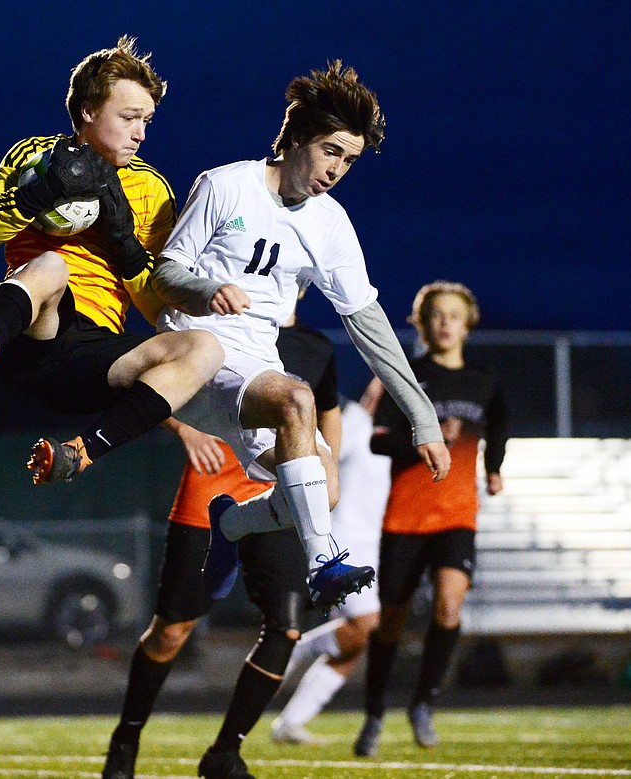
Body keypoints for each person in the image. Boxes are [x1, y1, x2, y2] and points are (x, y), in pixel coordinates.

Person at [149, 60, 451, 613]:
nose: (338, 169)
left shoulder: (329, 223)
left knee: (321, 490)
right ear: (295, 138)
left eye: (351, 160)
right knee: (297, 398)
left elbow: (369, 324)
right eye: (331, 150)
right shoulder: (225, 185)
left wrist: (422, 416)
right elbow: (165, 273)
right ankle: (324, 561)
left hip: (254, 365)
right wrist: (205, 291)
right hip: (194, 353)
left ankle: (234, 524)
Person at [0, 36, 223, 483]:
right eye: (130, 117)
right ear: (88, 112)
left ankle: (80, 452)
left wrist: (123, 240)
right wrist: (39, 192)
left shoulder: (152, 191)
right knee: (53, 266)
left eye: (147, 120)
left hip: (93, 358)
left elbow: (159, 309)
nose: (141, 133)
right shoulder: (33, 155)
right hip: (32, 330)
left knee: (205, 347)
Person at [101, 303, 341, 779]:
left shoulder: (316, 346)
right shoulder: (217, 323)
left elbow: (327, 415)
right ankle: (125, 739)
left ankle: (225, 753)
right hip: (214, 485)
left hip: (279, 495)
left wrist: (329, 473)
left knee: (286, 628)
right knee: (171, 632)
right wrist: (185, 429)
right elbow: (155, 381)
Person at [354, 280, 507, 757]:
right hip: (405, 517)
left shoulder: (484, 381)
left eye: (453, 316)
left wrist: (494, 467)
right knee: (392, 623)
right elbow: (378, 441)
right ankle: (375, 711)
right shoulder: (403, 375)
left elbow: (499, 425)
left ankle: (423, 703)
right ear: (422, 323)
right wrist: (427, 437)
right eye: (435, 315)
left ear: (468, 323)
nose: (444, 324)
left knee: (448, 607)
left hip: (457, 516)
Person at [269, 381, 392, 745]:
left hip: (372, 544)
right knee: (366, 625)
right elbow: (327, 459)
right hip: (343, 539)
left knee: (355, 641)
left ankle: (290, 723)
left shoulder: (395, 436)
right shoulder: (355, 422)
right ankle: (290, 651)